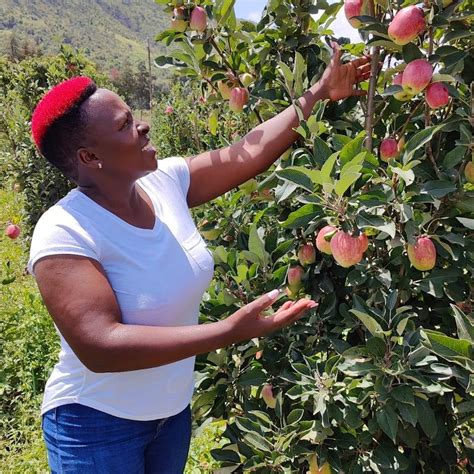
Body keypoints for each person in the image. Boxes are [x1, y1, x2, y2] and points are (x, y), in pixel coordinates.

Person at [28, 42, 370, 473]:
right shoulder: (65, 230)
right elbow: (100, 346)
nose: (144, 127)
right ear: (89, 157)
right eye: (125, 125)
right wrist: (228, 331)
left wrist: (319, 91)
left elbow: (249, 150)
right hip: (95, 424)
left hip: (170, 415)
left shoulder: (164, 182)